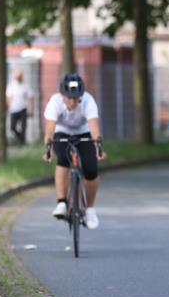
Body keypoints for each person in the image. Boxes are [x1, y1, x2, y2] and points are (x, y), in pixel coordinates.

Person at [43, 72, 105, 229]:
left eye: (76, 98)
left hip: (83, 133)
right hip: (61, 133)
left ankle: (90, 209)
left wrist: (98, 146)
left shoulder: (88, 101)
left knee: (91, 169)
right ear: (63, 95)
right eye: (69, 98)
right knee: (63, 159)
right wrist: (48, 147)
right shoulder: (55, 102)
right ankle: (62, 202)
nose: (72, 102)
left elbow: (94, 128)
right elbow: (50, 130)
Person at [6, 69, 33, 145]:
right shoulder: (11, 86)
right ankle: (21, 138)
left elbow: (30, 98)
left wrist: (31, 110)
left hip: (23, 109)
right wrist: (8, 107)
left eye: (20, 76)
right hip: (13, 110)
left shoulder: (26, 86)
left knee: (23, 127)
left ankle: (22, 143)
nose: (18, 78)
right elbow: (8, 98)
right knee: (12, 127)